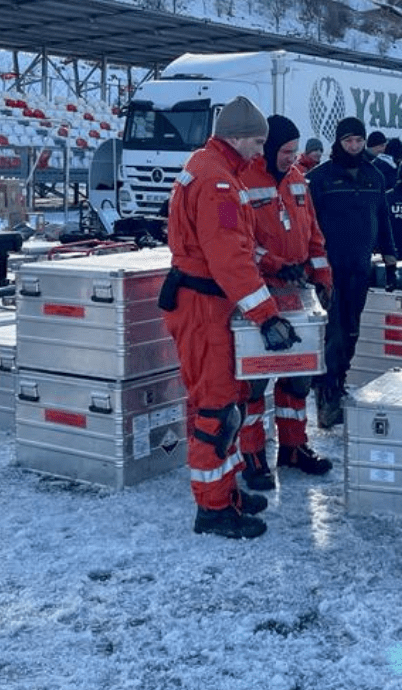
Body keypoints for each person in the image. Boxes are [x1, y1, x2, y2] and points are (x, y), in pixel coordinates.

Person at [158, 96, 296, 540]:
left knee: (226, 403)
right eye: (258, 141)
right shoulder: (218, 182)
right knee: (215, 410)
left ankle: (227, 489)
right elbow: (226, 257)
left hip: (206, 302)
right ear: (236, 136)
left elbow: (234, 244)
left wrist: (273, 263)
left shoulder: (209, 168)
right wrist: (266, 316)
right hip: (203, 307)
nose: (261, 150)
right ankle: (213, 509)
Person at [236, 115, 336, 490]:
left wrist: (323, 274)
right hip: (258, 293)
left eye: (295, 152)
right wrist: (277, 264)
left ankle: (294, 447)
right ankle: (253, 454)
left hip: (297, 293)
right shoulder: (243, 180)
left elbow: (313, 233)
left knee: (297, 378)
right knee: (254, 383)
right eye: (285, 151)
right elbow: (241, 243)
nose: (291, 158)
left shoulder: (297, 180)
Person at [306, 116, 398, 429]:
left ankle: (338, 382)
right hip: (328, 270)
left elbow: (382, 218)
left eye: (359, 141)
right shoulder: (320, 178)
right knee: (333, 332)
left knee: (352, 330)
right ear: (338, 142)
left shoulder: (375, 176)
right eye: (348, 141)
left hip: (360, 267)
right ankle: (326, 395)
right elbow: (308, 225)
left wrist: (390, 258)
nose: (355, 146)